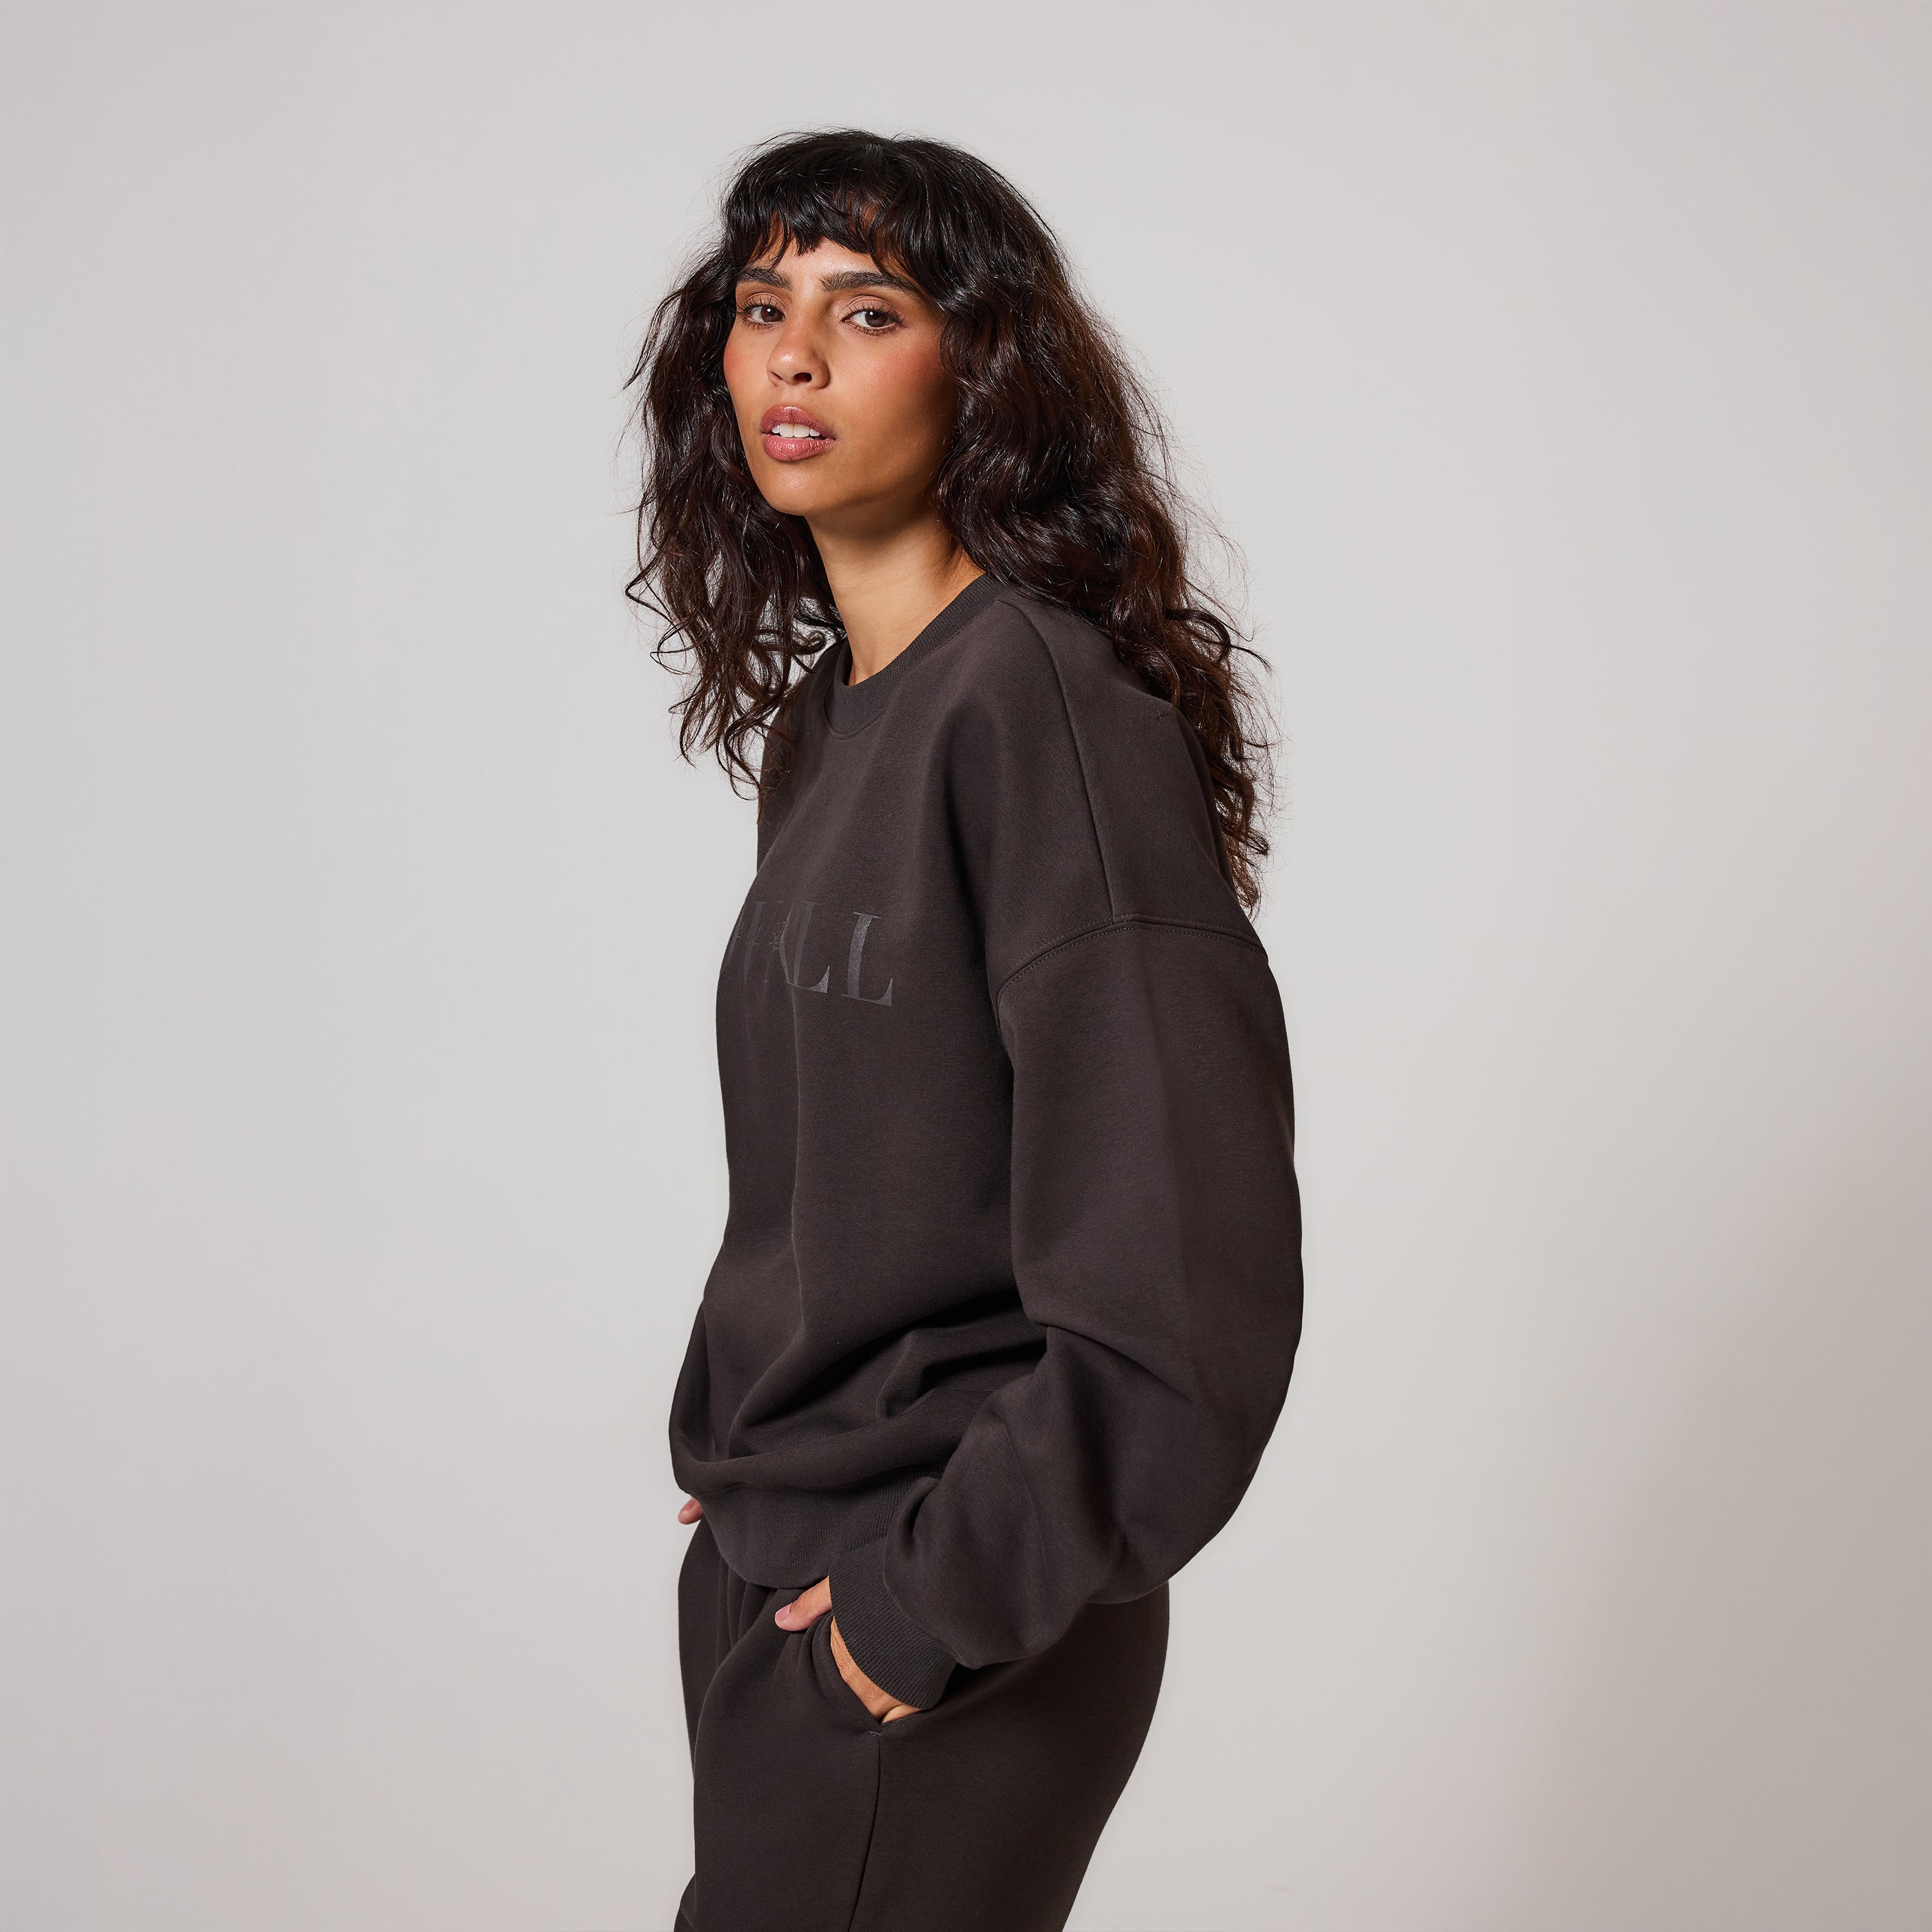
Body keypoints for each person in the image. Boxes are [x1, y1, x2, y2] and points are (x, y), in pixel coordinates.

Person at [624, 128, 1304, 1932]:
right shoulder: (835, 729)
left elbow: (1186, 1301)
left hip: (950, 1613)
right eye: (762, 307)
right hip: (799, 1570)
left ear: (983, 372)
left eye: (867, 311)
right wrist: (761, 1446)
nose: (793, 355)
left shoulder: (1043, 712)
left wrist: (919, 1602)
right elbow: (863, 1168)